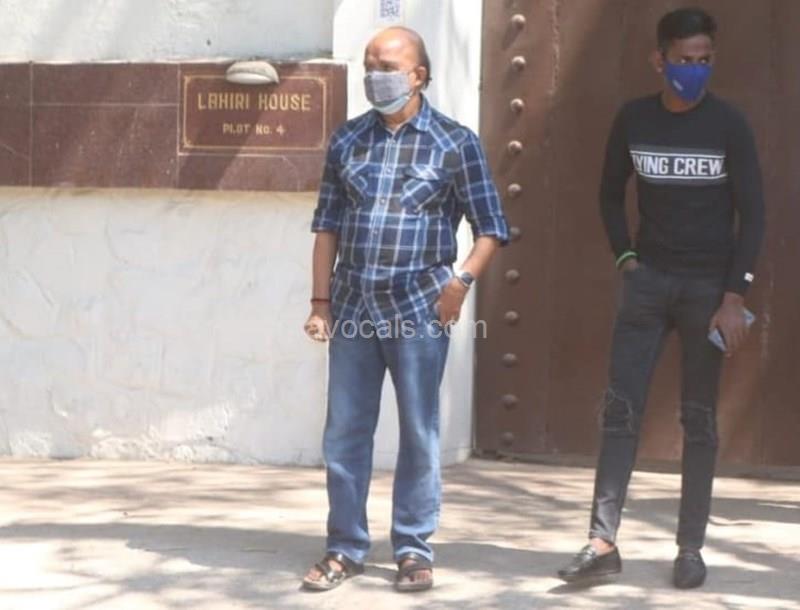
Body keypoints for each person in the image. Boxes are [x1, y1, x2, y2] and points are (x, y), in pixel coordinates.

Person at [557, 7, 765, 589]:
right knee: (620, 411)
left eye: (704, 60)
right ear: (660, 60)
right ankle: (602, 543)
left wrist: (734, 295)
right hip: (647, 284)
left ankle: (690, 549)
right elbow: (608, 194)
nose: (694, 69)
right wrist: (625, 257)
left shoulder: (729, 125)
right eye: (684, 60)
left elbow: (753, 215)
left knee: (699, 420)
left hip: (708, 292)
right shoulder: (634, 120)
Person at [301, 26, 508, 593]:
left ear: (418, 75)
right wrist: (319, 302)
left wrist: (460, 283)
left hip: (419, 311)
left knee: (419, 433)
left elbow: (491, 228)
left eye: (387, 67)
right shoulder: (347, 141)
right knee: (345, 434)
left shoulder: (455, 143)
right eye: (370, 66)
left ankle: (413, 549)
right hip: (353, 308)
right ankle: (345, 547)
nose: (375, 76)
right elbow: (326, 227)